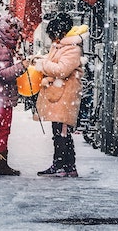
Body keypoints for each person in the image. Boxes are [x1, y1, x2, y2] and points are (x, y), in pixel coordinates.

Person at [33, 12, 87, 178]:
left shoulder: (71, 49)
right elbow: (55, 64)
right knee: (59, 132)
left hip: (66, 96)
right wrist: (42, 60)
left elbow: (61, 69)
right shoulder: (62, 46)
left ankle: (62, 164)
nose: (52, 40)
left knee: (62, 133)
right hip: (59, 96)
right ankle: (66, 165)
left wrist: (43, 64)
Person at [0, 15, 29, 175]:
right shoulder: (2, 50)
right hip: (1, 98)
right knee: (2, 130)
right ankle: (0, 164)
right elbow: (4, 74)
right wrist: (22, 66)